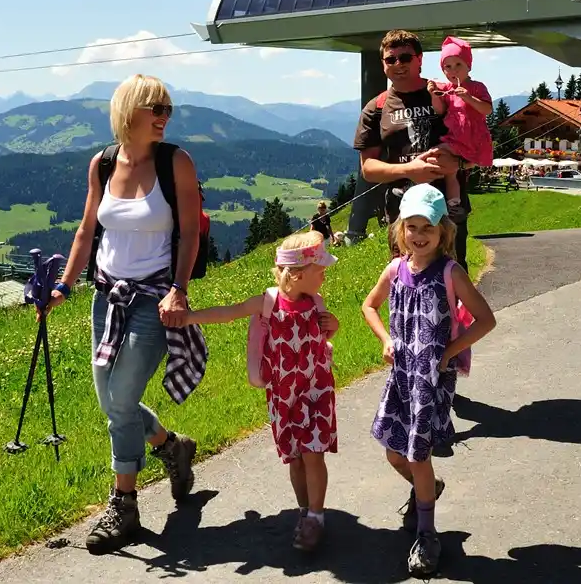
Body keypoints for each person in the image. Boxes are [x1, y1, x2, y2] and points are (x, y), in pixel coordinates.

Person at [46, 74, 206, 553]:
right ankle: (171, 447)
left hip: (155, 300)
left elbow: (191, 233)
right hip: (107, 298)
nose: (163, 116)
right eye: (153, 108)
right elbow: (85, 231)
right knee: (112, 402)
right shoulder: (103, 162)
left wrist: (179, 289)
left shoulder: (175, 161)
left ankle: (124, 504)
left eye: (167, 109)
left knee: (119, 400)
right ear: (127, 112)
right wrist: (62, 285)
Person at [361, 183, 497, 578]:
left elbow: (486, 320)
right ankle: (428, 488)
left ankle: (427, 533)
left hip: (432, 381)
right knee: (393, 452)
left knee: (418, 455)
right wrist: (386, 338)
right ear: (400, 229)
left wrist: (449, 353)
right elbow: (369, 305)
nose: (419, 236)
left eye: (428, 228)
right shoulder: (395, 270)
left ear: (443, 232)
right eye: (412, 227)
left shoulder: (451, 273)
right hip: (402, 375)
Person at [183, 230, 341, 552]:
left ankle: (316, 517)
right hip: (284, 398)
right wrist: (189, 317)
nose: (325, 273)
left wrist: (333, 325)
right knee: (295, 460)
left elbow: (328, 331)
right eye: (320, 269)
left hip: (316, 392)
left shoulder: (316, 303)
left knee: (313, 454)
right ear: (297, 274)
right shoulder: (268, 303)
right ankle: (304, 511)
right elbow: (228, 312)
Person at [353, 29, 470, 264]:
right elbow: (368, 168)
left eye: (405, 58)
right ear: (383, 64)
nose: (398, 64)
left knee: (452, 278)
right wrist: (410, 170)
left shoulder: (447, 94)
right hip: (401, 211)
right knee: (405, 278)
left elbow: (478, 142)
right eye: (390, 59)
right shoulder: (376, 107)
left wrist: (458, 163)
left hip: (447, 207)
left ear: (420, 60)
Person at [426, 36, 494, 215]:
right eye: (447, 67)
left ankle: (415, 183)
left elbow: (487, 109)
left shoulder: (477, 87)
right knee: (450, 171)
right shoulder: (447, 88)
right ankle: (454, 203)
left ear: (468, 66)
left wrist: (468, 97)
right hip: (456, 138)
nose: (452, 70)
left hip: (470, 139)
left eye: (458, 65)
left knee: (433, 153)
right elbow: (440, 110)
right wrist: (434, 95)